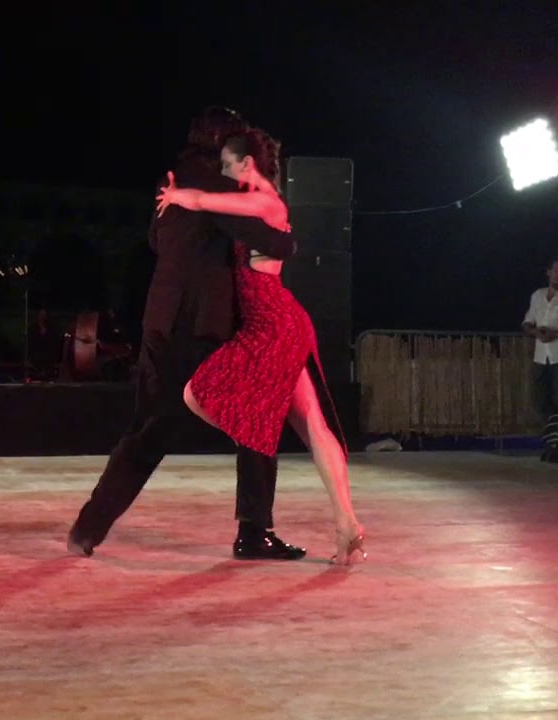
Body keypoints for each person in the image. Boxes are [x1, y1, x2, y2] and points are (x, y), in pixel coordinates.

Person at [67, 107, 305, 561]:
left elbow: (157, 241)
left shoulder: (171, 178)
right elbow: (271, 240)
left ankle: (89, 526)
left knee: (149, 428)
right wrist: (288, 240)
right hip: (200, 322)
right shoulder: (215, 179)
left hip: (159, 316)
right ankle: (253, 532)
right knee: (255, 416)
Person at [154, 128, 365, 565]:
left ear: (247, 164)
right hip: (280, 322)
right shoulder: (268, 206)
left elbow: (205, 203)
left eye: (230, 167)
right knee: (313, 426)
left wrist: (176, 196)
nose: (227, 176)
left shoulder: (264, 203)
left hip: (271, 326)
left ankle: (261, 434)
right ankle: (348, 523)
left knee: (198, 393)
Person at [521, 259, 558, 422]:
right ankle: (548, 428)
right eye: (556, 271)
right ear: (549, 272)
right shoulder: (537, 295)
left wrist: (557, 334)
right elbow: (527, 322)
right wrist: (536, 332)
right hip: (540, 355)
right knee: (539, 396)